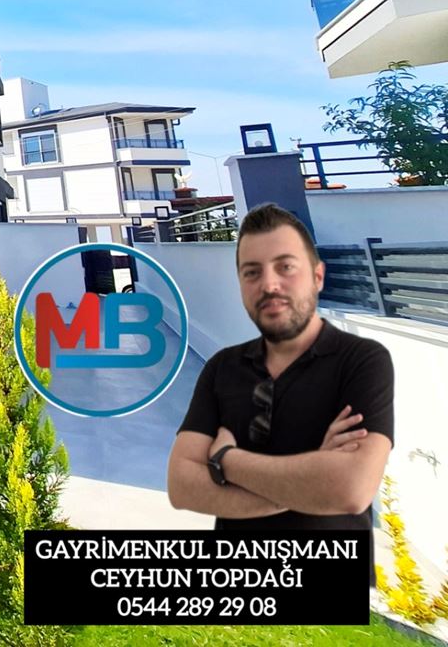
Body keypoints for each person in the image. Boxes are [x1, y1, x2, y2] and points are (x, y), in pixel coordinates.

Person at [166, 203, 393, 582]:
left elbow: (350, 489)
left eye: (285, 267)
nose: (269, 285)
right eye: (251, 272)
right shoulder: (222, 368)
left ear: (317, 276)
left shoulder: (361, 360)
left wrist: (226, 459)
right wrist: (312, 478)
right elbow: (181, 486)